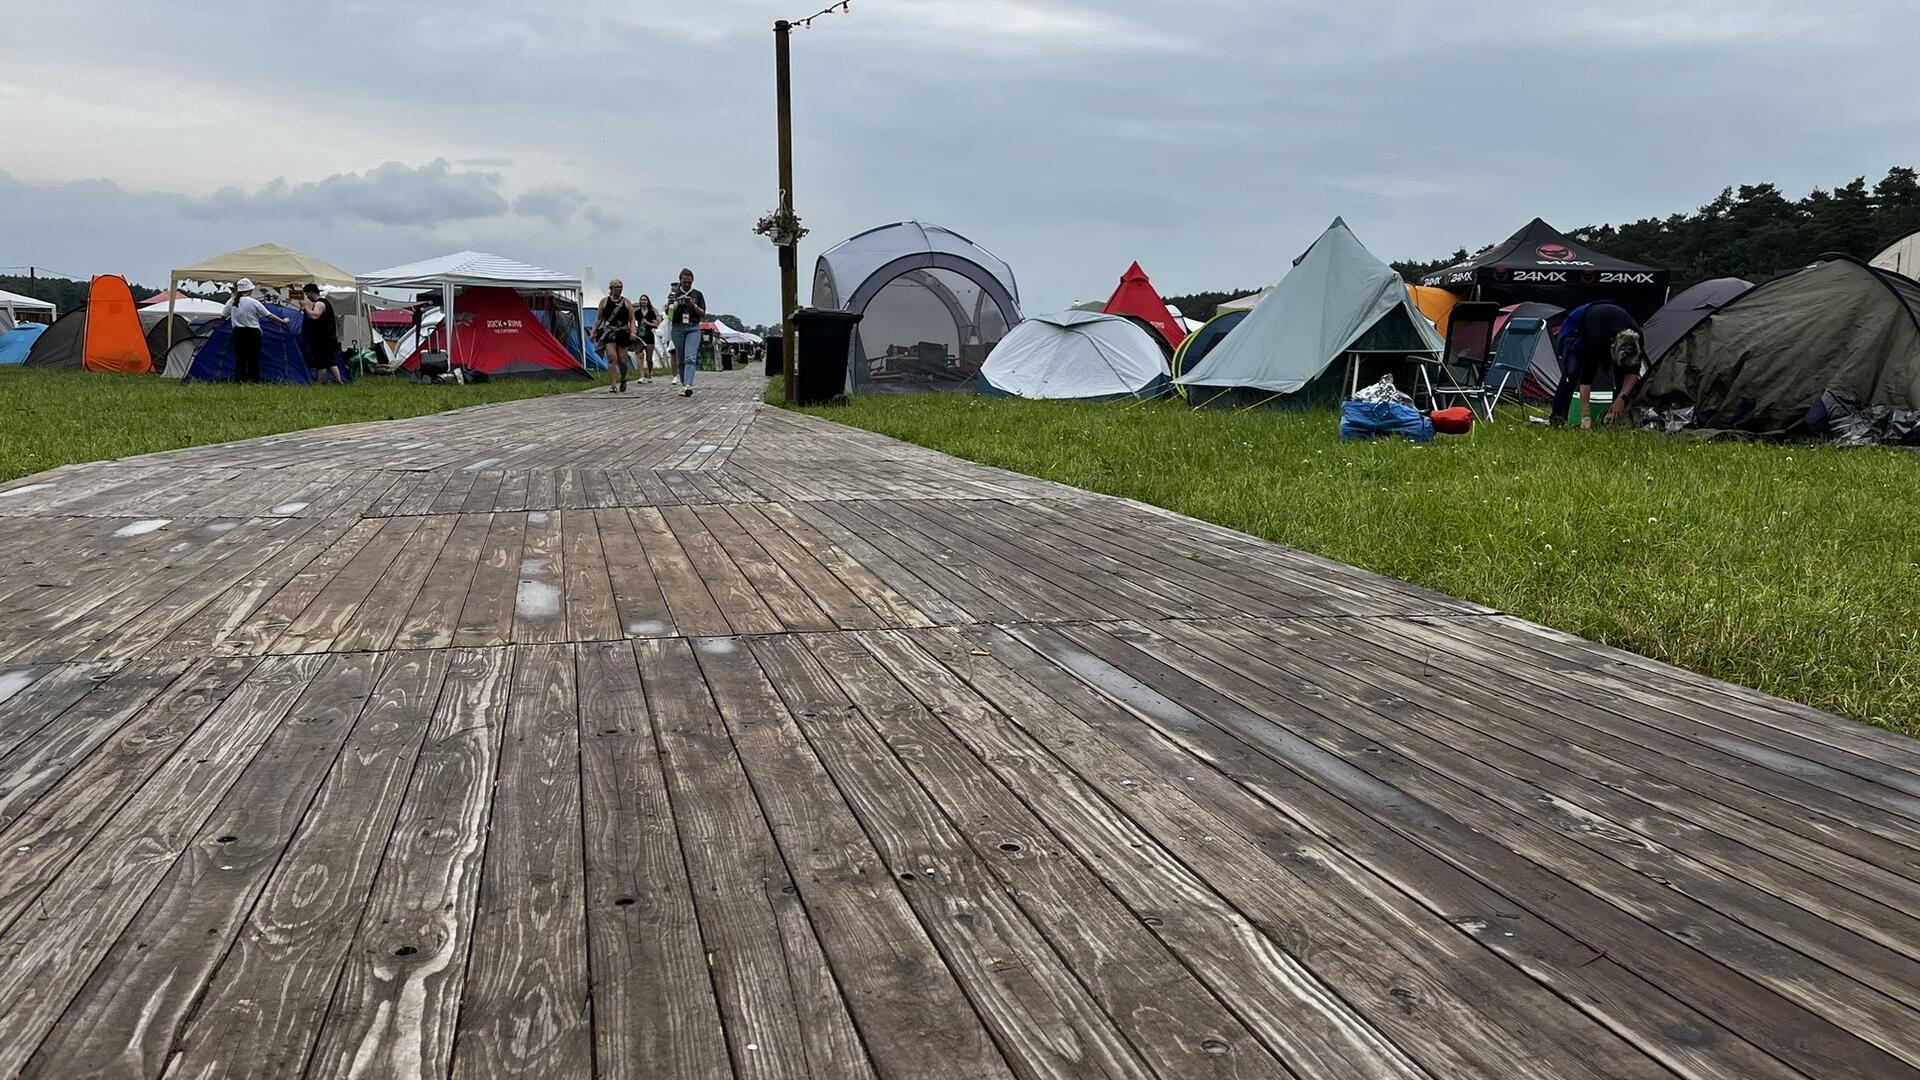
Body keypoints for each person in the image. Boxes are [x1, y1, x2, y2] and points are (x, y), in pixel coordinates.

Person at [1550, 301, 1646, 429]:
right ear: (1611, 348)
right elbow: (1586, 380)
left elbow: (1633, 372)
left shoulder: (1637, 339)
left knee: (1621, 375)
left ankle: (1615, 420)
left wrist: (1621, 398)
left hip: (1607, 321)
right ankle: (1557, 419)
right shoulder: (1597, 340)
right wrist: (1586, 417)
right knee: (1572, 372)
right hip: (1578, 324)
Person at [221, 277, 290, 383]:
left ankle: (240, 379)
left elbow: (223, 315)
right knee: (253, 357)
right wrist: (282, 321)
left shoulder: (232, 301)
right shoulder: (253, 302)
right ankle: (254, 379)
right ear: (249, 290)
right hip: (253, 333)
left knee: (241, 357)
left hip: (238, 332)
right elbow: (270, 316)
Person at [667, 267, 706, 397]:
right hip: (678, 327)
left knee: (690, 357)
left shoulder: (697, 294)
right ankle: (684, 385)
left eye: (689, 282)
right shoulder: (674, 294)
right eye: (685, 282)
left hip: (693, 327)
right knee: (681, 358)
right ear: (680, 281)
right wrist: (674, 304)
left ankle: (689, 384)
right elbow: (669, 314)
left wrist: (693, 306)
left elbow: (703, 314)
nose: (687, 284)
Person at [595, 278, 639, 392]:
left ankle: (623, 379)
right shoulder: (604, 301)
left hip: (623, 332)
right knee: (611, 358)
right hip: (609, 332)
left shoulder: (626, 302)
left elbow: (632, 319)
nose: (618, 289)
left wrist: (633, 332)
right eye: (616, 287)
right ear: (611, 289)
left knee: (623, 361)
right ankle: (613, 384)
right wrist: (593, 331)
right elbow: (599, 318)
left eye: (620, 287)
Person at [299, 283, 344, 384]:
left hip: (322, 339)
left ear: (311, 292)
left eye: (307, 294)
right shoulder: (326, 302)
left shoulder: (319, 303)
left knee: (321, 362)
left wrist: (306, 307)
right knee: (330, 362)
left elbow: (315, 316)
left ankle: (319, 383)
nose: (307, 297)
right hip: (329, 337)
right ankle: (339, 381)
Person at [634, 294, 661, 383]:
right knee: (640, 356)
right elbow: (633, 322)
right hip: (640, 336)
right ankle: (641, 375)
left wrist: (647, 323)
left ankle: (650, 372)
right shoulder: (636, 312)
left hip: (649, 335)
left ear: (648, 301)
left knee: (649, 358)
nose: (643, 301)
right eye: (641, 300)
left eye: (645, 300)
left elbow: (656, 325)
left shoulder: (651, 312)